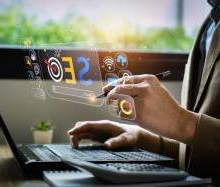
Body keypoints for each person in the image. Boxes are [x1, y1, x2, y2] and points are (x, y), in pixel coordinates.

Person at [68, 0, 220, 180]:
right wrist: (141, 138)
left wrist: (182, 122)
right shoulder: (210, 23)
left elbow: (189, 128)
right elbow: (198, 153)